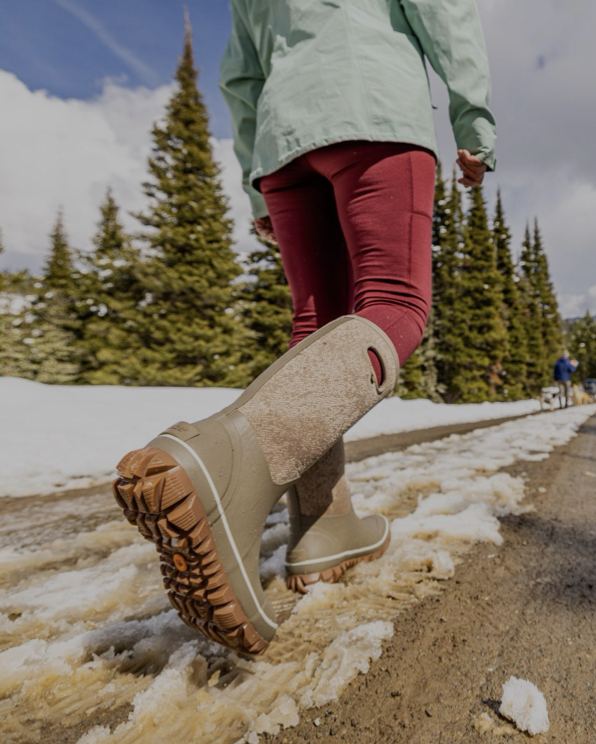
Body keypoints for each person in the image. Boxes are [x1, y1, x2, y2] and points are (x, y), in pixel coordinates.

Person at [113, 0, 496, 655]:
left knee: (317, 325)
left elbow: (241, 78)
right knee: (396, 306)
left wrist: (256, 185)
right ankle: (226, 464)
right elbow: (443, 11)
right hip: (373, 108)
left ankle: (324, 525)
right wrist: (474, 119)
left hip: (284, 148)